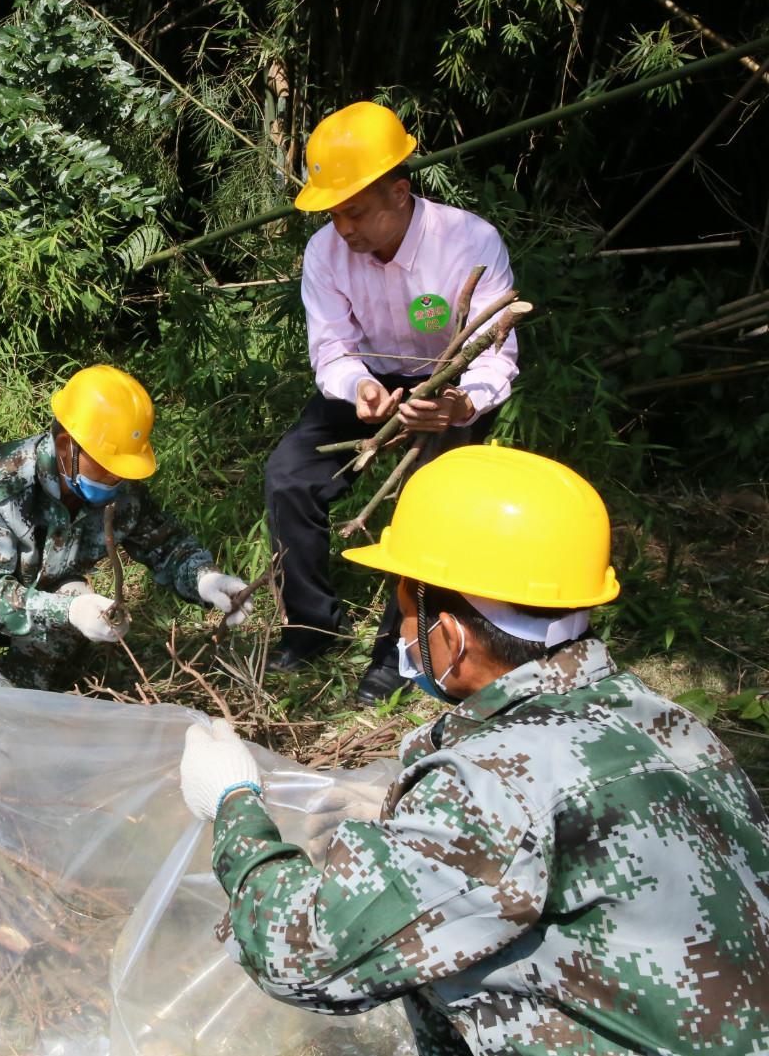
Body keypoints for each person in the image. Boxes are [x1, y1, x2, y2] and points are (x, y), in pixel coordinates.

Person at [179, 444, 769, 1054]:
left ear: (452, 635)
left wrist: (233, 805)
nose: (402, 632)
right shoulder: (668, 721)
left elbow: (297, 955)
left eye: (404, 611)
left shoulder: (492, 787)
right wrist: (401, 817)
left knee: (426, 942)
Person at [265, 101, 519, 703]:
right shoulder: (326, 253)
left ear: (400, 193)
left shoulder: (469, 243)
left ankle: (396, 652)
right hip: (369, 379)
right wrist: (361, 388)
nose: (343, 229)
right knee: (288, 477)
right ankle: (308, 626)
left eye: (354, 212)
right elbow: (331, 348)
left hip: (449, 386)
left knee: (425, 506)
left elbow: (496, 356)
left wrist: (459, 407)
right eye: (333, 213)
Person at [0, 364, 255, 690]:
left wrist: (204, 579)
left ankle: (19, 696)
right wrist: (69, 611)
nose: (117, 477)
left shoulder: (120, 490)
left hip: (36, 600)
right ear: (66, 445)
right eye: (108, 465)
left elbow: (167, 546)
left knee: (74, 609)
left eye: (122, 467)